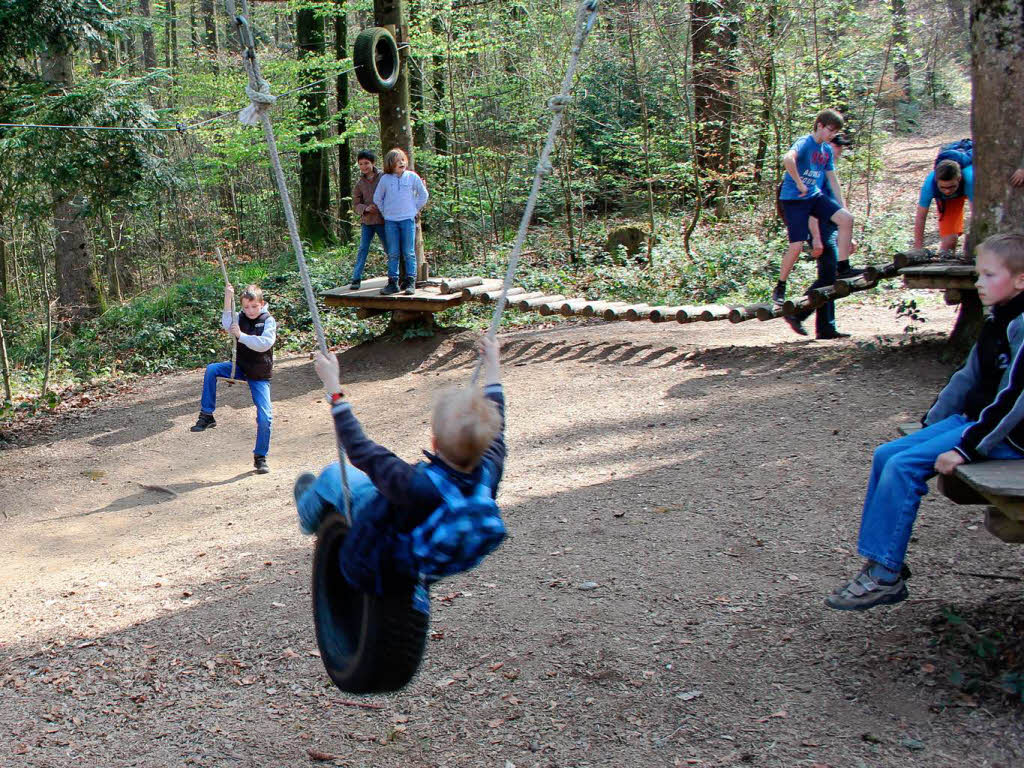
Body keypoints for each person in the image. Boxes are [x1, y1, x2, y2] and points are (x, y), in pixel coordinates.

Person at [826, 232, 1024, 611]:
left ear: (1020, 281)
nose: (979, 283)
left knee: (903, 467)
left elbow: (1016, 397)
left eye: (988, 276)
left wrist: (966, 449)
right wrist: (932, 422)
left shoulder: (1023, 323)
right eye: (978, 275)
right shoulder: (998, 318)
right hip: (976, 422)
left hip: (1008, 437)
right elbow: (969, 376)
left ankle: (885, 575)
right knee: (888, 453)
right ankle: (880, 561)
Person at [293, 336, 506, 593]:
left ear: (434, 442)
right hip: (425, 558)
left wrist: (333, 387)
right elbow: (497, 418)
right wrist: (493, 363)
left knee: (333, 475)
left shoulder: (412, 484)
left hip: (369, 564)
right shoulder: (488, 475)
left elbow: (360, 448)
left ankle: (308, 517)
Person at [190, 283, 277, 474]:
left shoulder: (268, 321)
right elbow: (226, 321)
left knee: (265, 417)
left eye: (254, 306)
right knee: (212, 369)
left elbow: (264, 344)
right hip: (239, 367)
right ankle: (207, 415)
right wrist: (227, 298)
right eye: (246, 307)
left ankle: (260, 456)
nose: (250, 310)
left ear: (261, 304)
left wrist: (241, 336)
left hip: (259, 374)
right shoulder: (240, 317)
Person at [775, 109, 857, 306]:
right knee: (796, 246)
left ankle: (843, 266)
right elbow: (788, 159)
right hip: (794, 199)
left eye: (835, 132)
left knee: (847, 219)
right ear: (819, 125)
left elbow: (833, 181)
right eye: (830, 130)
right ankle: (780, 286)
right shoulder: (805, 142)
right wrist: (799, 183)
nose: (832, 135)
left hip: (813, 197)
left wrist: (843, 207)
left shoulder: (826, 150)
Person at [784, 133, 859, 339]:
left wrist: (847, 235)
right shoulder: (815, 168)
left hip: (830, 226)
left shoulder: (827, 170)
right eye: (836, 146)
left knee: (829, 274)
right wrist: (816, 237)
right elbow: (808, 207)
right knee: (829, 275)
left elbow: (837, 206)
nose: (839, 151)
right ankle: (799, 314)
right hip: (817, 227)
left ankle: (825, 326)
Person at [373, 148, 429, 296]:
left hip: (407, 221)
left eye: (403, 160)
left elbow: (424, 194)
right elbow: (377, 198)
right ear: (390, 164)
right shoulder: (385, 179)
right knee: (393, 253)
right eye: (397, 161)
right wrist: (385, 212)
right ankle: (393, 283)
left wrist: (414, 209)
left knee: (409, 252)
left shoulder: (412, 177)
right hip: (391, 221)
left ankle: (410, 282)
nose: (401, 163)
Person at [913, 158, 974, 255]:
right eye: (943, 187)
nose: (947, 191)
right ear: (937, 181)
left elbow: (977, 214)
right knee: (949, 242)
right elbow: (921, 217)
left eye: (951, 186)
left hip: (973, 191)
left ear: (959, 178)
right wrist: (918, 247)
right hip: (948, 200)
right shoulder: (929, 185)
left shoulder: (970, 180)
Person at [349, 150, 387, 291]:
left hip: (383, 221)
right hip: (367, 222)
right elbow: (356, 204)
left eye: (366, 163)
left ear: (373, 163)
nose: (364, 166)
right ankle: (356, 278)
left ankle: (395, 277)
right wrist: (365, 208)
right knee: (363, 249)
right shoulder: (359, 183)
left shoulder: (383, 177)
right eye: (361, 164)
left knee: (389, 248)